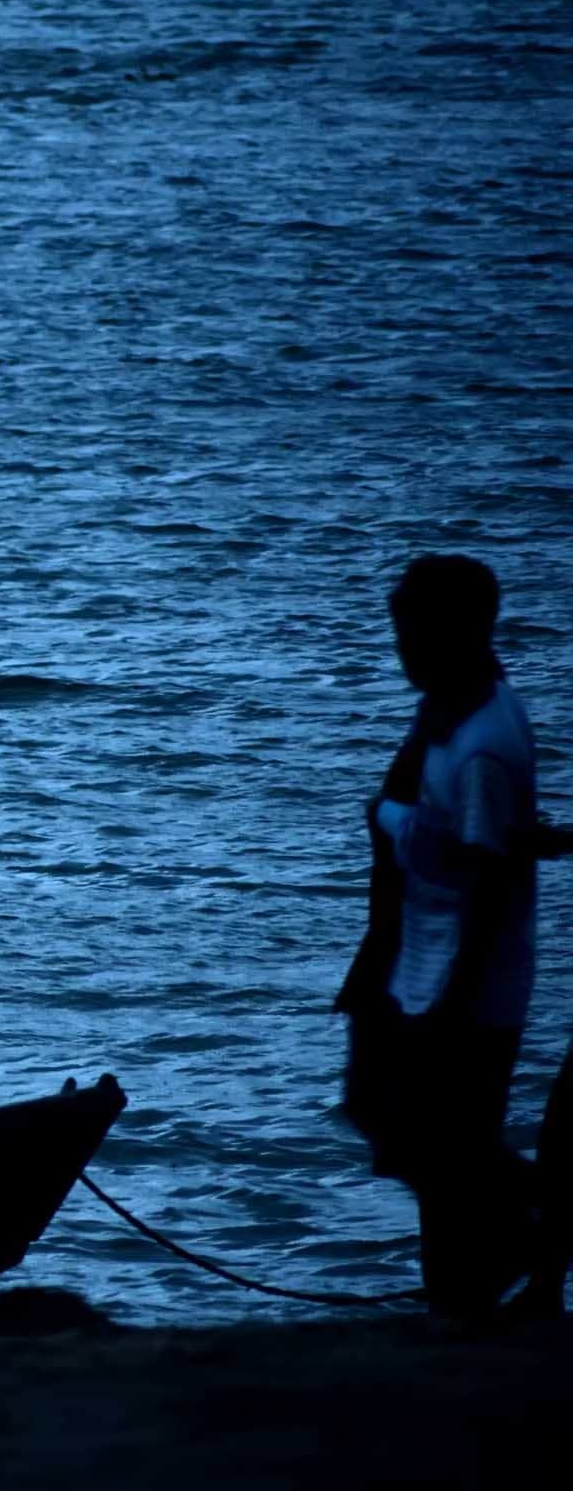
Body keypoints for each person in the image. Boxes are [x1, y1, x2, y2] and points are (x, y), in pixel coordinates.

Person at [335, 554, 542, 1319]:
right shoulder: (448, 712)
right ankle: (484, 1277)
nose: (401, 649)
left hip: (458, 986)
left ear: (457, 633)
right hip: (414, 966)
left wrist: (451, 1011)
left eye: (413, 632)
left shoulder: (482, 744)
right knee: (403, 1128)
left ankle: (531, 1235)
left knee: (441, 1149)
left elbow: (489, 889)